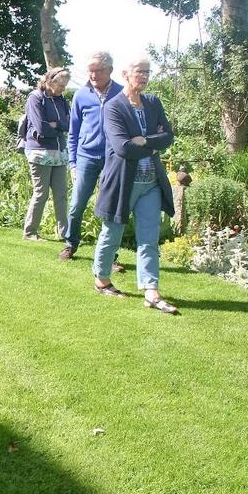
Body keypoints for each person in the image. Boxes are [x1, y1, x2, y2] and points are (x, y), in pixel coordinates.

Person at [93, 56, 179, 314]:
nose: (143, 76)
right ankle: (102, 279)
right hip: (123, 182)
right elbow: (122, 148)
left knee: (149, 238)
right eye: (138, 71)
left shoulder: (153, 103)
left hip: (151, 182)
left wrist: (144, 140)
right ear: (126, 74)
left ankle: (151, 291)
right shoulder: (114, 106)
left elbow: (168, 137)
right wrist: (150, 143)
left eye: (147, 72)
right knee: (112, 233)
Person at [59, 52, 125, 274]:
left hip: (112, 158)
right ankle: (70, 244)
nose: (93, 75)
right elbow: (73, 132)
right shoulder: (81, 95)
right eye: (90, 71)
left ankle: (110, 256)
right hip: (86, 157)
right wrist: (73, 163)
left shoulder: (121, 93)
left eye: (98, 71)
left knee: (109, 209)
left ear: (109, 70)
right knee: (77, 204)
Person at [23, 66, 71, 240]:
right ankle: (30, 232)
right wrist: (58, 126)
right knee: (41, 193)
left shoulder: (61, 100)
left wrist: (56, 125)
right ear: (50, 81)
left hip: (59, 151)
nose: (63, 89)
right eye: (61, 85)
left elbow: (69, 124)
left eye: (65, 85)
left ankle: (64, 234)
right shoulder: (35, 98)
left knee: (61, 194)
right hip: (39, 151)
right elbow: (41, 128)